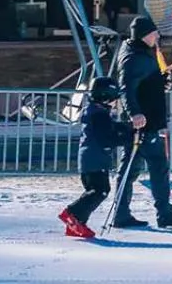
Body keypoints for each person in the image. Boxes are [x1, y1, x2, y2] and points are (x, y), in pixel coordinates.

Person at [110, 15, 172, 229]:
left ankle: (122, 213)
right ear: (144, 35)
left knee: (130, 169)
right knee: (157, 166)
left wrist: (160, 83)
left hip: (146, 120)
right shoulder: (132, 57)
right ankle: (164, 213)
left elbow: (145, 82)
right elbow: (126, 88)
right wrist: (134, 113)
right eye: (154, 33)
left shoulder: (141, 52)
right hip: (142, 123)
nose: (157, 36)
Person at [57, 77, 132, 239]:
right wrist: (128, 139)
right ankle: (72, 213)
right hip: (94, 159)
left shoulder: (96, 111)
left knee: (94, 191)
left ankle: (77, 223)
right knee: (100, 191)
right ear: (106, 97)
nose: (116, 103)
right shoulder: (99, 115)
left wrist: (127, 128)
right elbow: (107, 138)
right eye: (114, 99)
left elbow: (111, 127)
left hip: (90, 159)